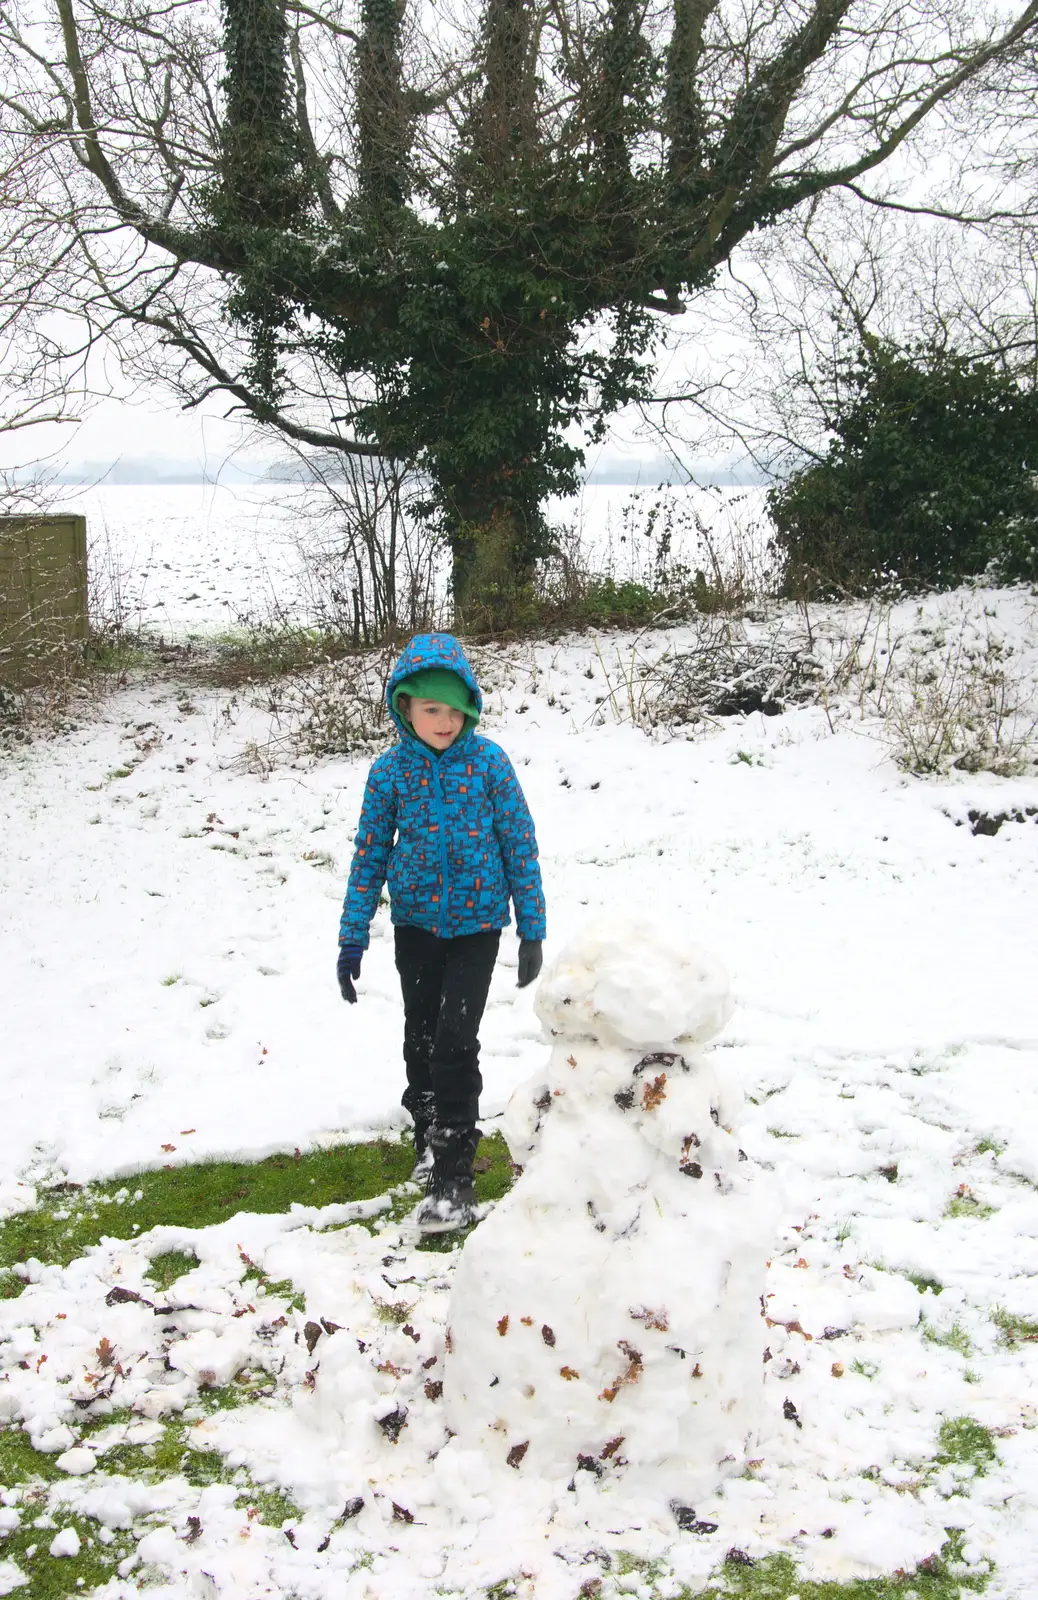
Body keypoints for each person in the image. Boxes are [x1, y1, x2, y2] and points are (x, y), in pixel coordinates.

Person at [337, 633, 546, 1232]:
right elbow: (369, 855)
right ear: (404, 706)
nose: (446, 721)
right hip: (417, 927)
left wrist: (531, 928)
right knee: (421, 1038)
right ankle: (426, 1134)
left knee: (456, 1041)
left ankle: (456, 1178)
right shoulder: (390, 773)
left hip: (478, 926)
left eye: (456, 710)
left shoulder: (489, 765)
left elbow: (519, 845)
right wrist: (353, 936)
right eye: (433, 709)